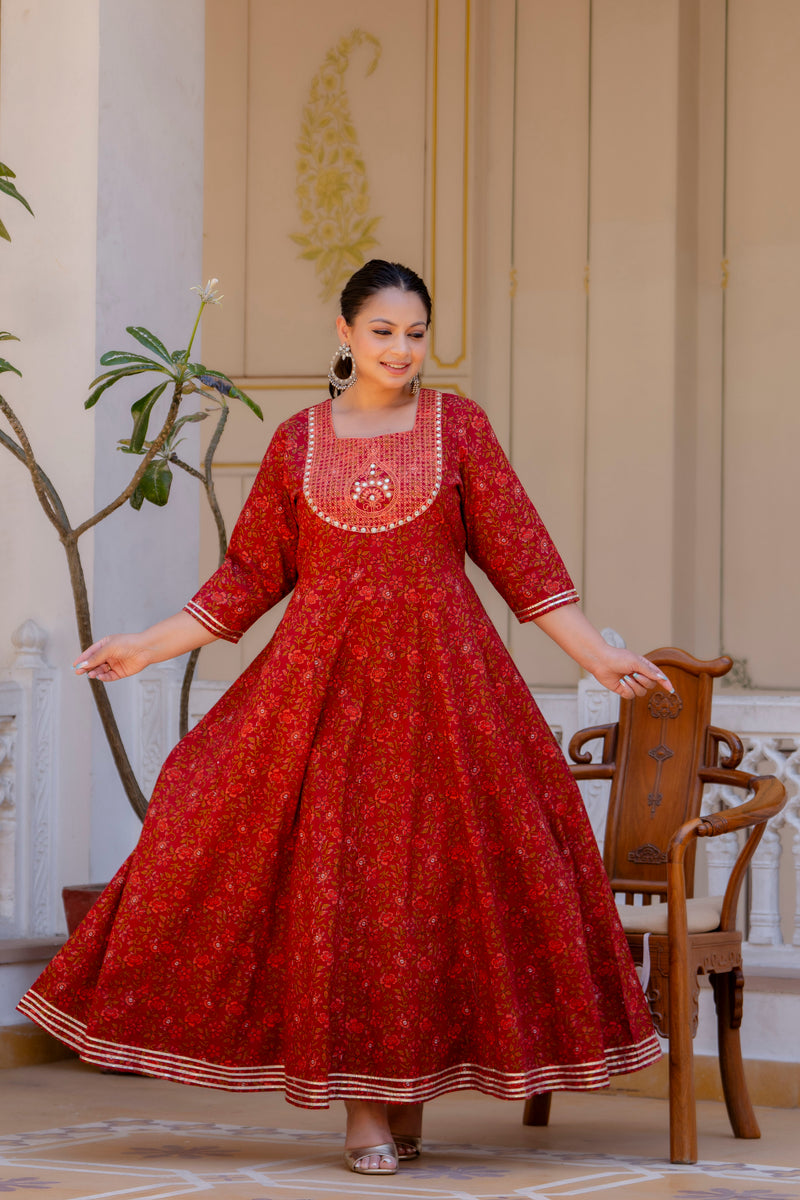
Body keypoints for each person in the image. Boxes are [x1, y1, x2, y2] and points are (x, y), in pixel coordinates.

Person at [19, 259, 671, 1176]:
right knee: (348, 891)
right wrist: (144, 645)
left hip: (450, 695)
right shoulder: (297, 443)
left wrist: (598, 655)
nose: (401, 350)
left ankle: (403, 1094)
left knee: (424, 894)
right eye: (382, 332)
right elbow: (248, 578)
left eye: (415, 333)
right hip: (321, 697)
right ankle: (365, 1111)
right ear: (344, 331)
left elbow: (522, 556)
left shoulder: (460, 428)